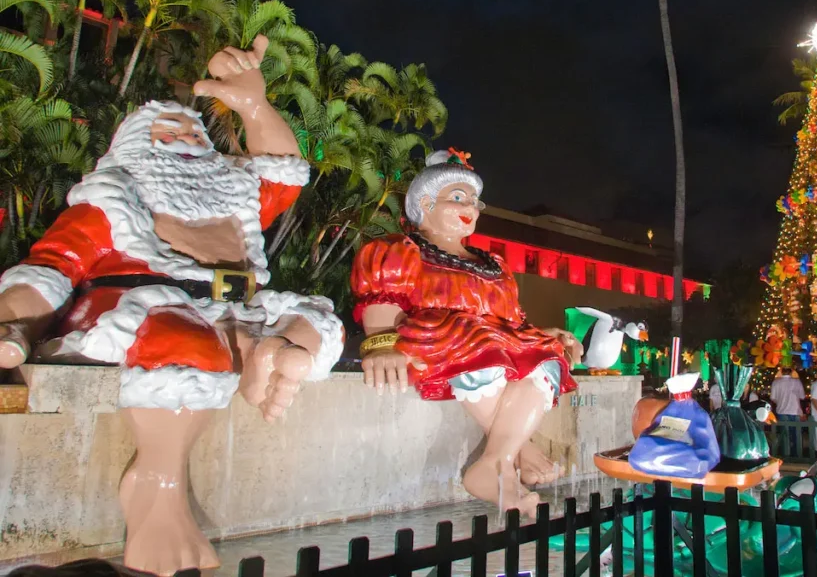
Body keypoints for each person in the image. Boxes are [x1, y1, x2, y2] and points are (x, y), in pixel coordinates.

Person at [0, 37, 344, 576]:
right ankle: (155, 489)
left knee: (316, 323)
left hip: (237, 307)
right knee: (184, 338)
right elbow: (52, 267)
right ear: (133, 146)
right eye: (169, 132)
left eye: (194, 132)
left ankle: (264, 351)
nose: (187, 139)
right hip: (147, 311)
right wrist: (14, 320)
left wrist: (254, 105)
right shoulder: (113, 198)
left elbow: (282, 170)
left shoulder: (234, 191)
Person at [351, 148, 583, 518]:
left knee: (546, 354)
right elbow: (383, 300)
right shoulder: (400, 250)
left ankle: (497, 460)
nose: (470, 209)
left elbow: (512, 322)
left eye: (475, 201)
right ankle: (517, 452)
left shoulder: (495, 266)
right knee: (480, 343)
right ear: (425, 203)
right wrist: (381, 344)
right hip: (442, 340)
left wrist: (543, 333)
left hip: (491, 341)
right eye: (458, 198)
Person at [770, 368, 806, 457]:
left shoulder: (776, 382)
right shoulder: (797, 382)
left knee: (784, 435)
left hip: (782, 411)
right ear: (791, 371)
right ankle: (796, 455)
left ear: (781, 372)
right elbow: (802, 396)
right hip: (795, 410)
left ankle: (785, 454)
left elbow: (773, 398)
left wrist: (780, 401)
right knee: (796, 435)